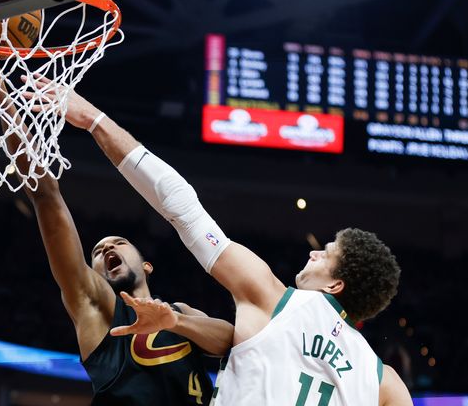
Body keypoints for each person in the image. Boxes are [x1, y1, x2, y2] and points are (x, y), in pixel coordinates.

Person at [40, 79, 413, 405]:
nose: (314, 251)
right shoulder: (386, 382)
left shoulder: (273, 298)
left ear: (336, 284)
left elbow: (180, 204)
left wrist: (93, 119)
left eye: (326, 253)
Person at [0, 44, 234, 405]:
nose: (107, 248)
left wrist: (173, 321)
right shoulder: (94, 304)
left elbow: (229, 341)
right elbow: (44, 193)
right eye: (98, 250)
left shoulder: (181, 313)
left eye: (118, 242)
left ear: (148, 265)